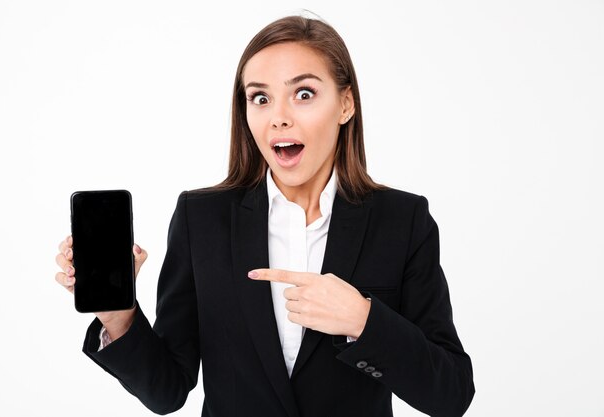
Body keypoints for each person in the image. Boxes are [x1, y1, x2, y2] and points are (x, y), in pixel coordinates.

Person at [55, 14, 475, 417]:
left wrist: (363, 320)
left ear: (345, 104)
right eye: (260, 97)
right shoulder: (201, 219)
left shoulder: (403, 220)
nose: (279, 117)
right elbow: (167, 392)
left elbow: (451, 393)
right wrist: (119, 317)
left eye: (304, 93)